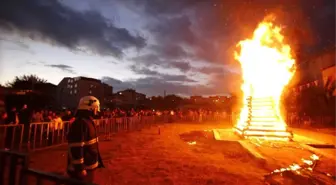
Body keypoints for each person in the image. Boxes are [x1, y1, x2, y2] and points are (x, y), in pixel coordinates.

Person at [67, 96, 104, 183]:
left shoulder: (88, 121)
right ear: (90, 108)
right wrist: (80, 168)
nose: (97, 110)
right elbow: (76, 147)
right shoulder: (80, 123)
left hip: (89, 166)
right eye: (96, 108)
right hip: (83, 169)